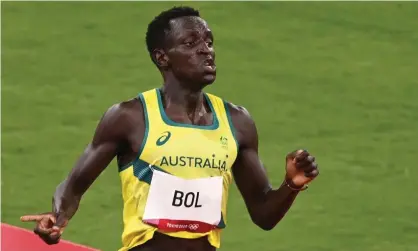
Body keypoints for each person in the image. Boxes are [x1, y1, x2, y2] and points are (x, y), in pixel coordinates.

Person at [20, 6, 319, 251]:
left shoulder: (237, 122)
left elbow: (264, 214)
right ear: (162, 58)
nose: (207, 51)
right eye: (191, 44)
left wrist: (292, 184)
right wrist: (57, 216)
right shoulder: (130, 117)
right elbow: (72, 186)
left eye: (209, 42)